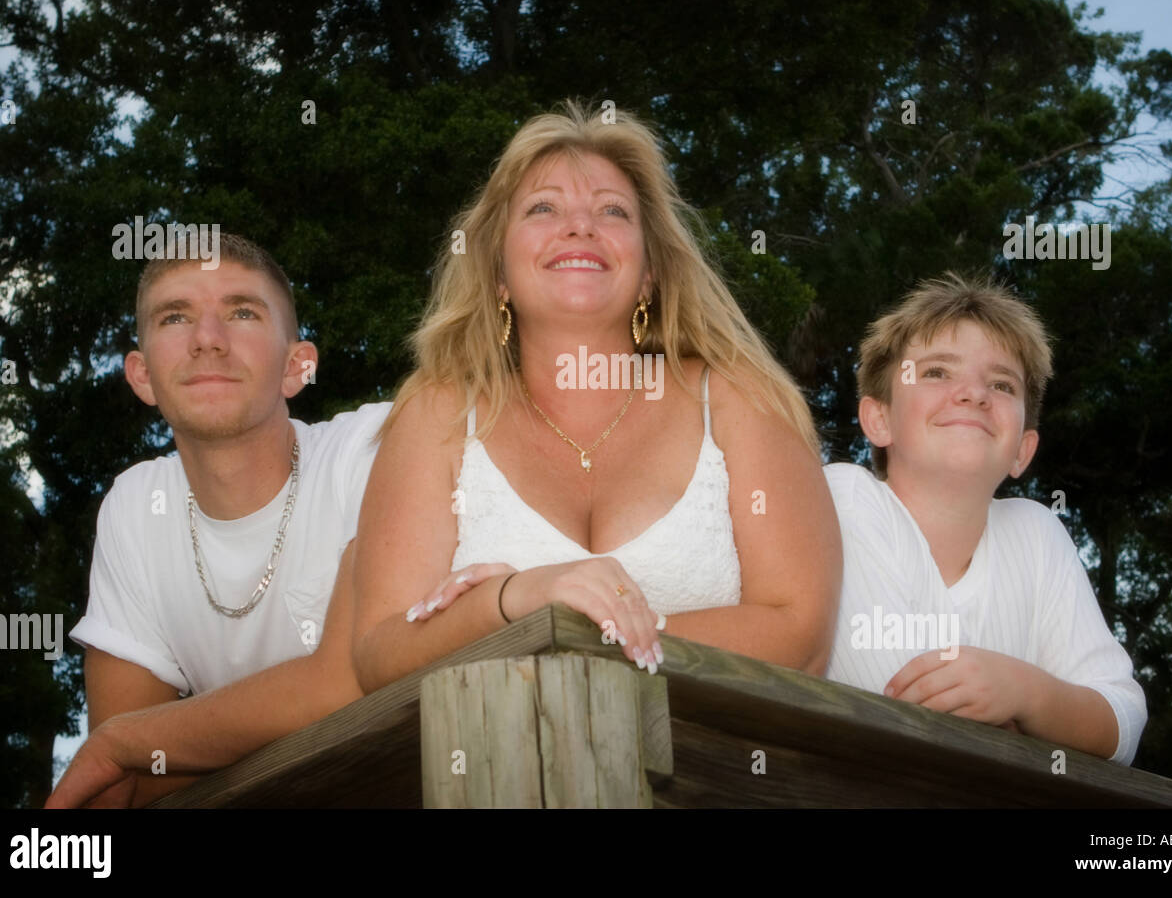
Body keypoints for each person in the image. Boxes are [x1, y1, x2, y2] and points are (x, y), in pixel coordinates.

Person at [351, 101, 841, 694]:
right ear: (499, 275)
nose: (580, 226)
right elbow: (380, 654)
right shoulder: (440, 412)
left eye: (612, 211)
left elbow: (801, 635)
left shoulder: (737, 398)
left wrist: (578, 640)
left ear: (649, 275)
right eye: (542, 208)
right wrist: (516, 600)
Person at [49, 234, 394, 807]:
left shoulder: (370, 450)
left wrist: (132, 742)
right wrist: (129, 746)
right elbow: (126, 784)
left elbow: (357, 677)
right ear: (141, 376)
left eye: (241, 312)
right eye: (175, 317)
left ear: (296, 366)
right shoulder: (135, 506)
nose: (208, 341)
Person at [823, 272, 1147, 764]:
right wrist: (1035, 728)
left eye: (1001, 383)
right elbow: (899, 697)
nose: (973, 394)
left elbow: (1123, 723)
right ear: (879, 418)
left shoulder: (1036, 534)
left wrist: (1027, 692)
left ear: (1022, 450)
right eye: (936, 373)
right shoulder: (844, 499)